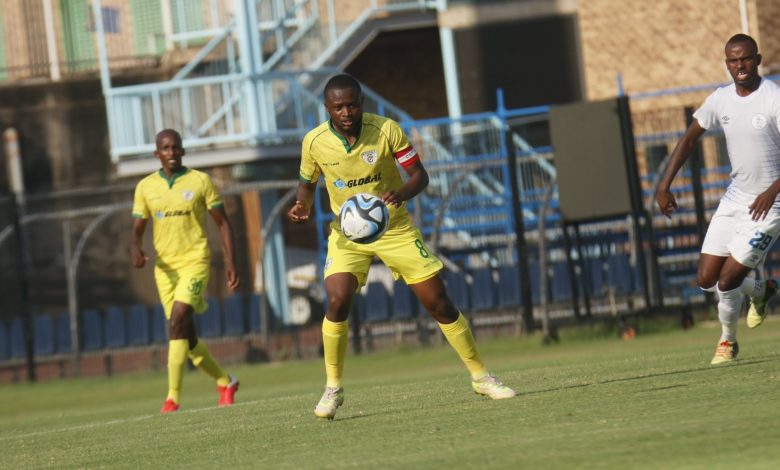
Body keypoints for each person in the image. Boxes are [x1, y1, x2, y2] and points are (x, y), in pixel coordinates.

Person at [288, 74, 516, 420]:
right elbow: (306, 186)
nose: (346, 112)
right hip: (347, 234)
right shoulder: (314, 142)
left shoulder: (386, 130)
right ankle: (332, 388)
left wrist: (401, 193)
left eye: (352, 104)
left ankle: (481, 376)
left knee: (437, 301)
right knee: (336, 300)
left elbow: (419, 175)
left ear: (362, 103)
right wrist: (302, 205)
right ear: (327, 109)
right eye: (338, 107)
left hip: (394, 227)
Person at [656, 34, 780, 365]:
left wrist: (772, 191)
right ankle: (763, 290)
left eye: (745, 59)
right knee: (705, 278)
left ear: (758, 58)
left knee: (727, 280)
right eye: (732, 60)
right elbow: (688, 139)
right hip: (735, 199)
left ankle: (727, 342)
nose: (739, 66)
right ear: (727, 63)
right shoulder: (721, 100)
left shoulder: (774, 98)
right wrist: (663, 186)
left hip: (771, 205)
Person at [131, 128, 240, 412]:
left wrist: (231, 261)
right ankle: (225, 381)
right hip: (165, 270)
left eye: (175, 147)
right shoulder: (145, 187)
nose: (171, 153)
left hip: (195, 263)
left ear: (182, 150)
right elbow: (138, 225)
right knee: (187, 338)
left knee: (177, 320)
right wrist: (136, 247)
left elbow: (223, 223)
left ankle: (172, 398)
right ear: (157, 154)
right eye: (165, 149)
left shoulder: (200, 181)